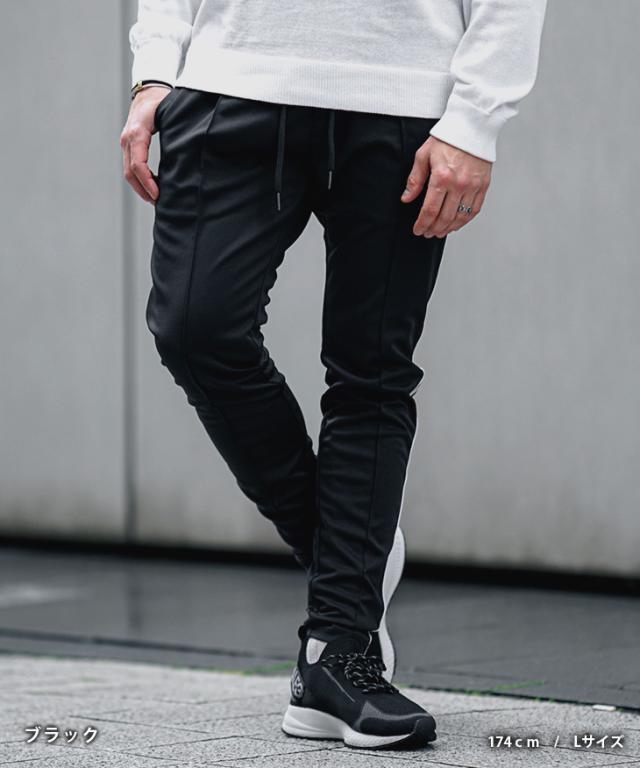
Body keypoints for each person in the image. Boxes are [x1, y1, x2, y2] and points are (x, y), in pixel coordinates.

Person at [121, 0, 547, 749]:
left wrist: (475, 119)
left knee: (371, 372)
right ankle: (347, 557)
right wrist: (155, 68)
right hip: (230, 81)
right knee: (194, 329)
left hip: (402, 97)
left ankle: (338, 657)